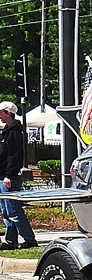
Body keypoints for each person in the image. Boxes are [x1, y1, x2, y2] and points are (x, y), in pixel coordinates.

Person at [0, 101, 38, 250]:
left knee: (13, 210)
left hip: (9, 177)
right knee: (6, 210)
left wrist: (9, 175)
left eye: (1, 112)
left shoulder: (14, 133)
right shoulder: (8, 131)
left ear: (9, 113)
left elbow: (14, 156)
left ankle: (29, 239)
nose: (0, 116)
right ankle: (11, 241)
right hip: (3, 176)